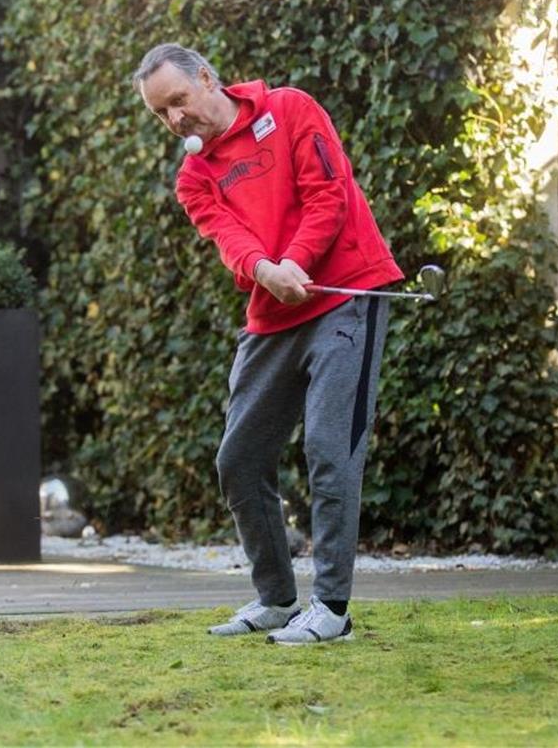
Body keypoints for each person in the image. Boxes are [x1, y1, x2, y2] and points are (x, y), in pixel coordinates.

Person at [133, 43, 404, 645]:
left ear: (206, 77)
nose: (175, 119)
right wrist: (266, 271)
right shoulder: (194, 175)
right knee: (240, 459)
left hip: (347, 293)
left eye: (178, 100)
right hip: (272, 311)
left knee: (332, 451)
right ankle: (277, 599)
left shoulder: (289, 108)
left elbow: (329, 196)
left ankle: (331, 610)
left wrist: (295, 262)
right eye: (161, 114)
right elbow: (228, 237)